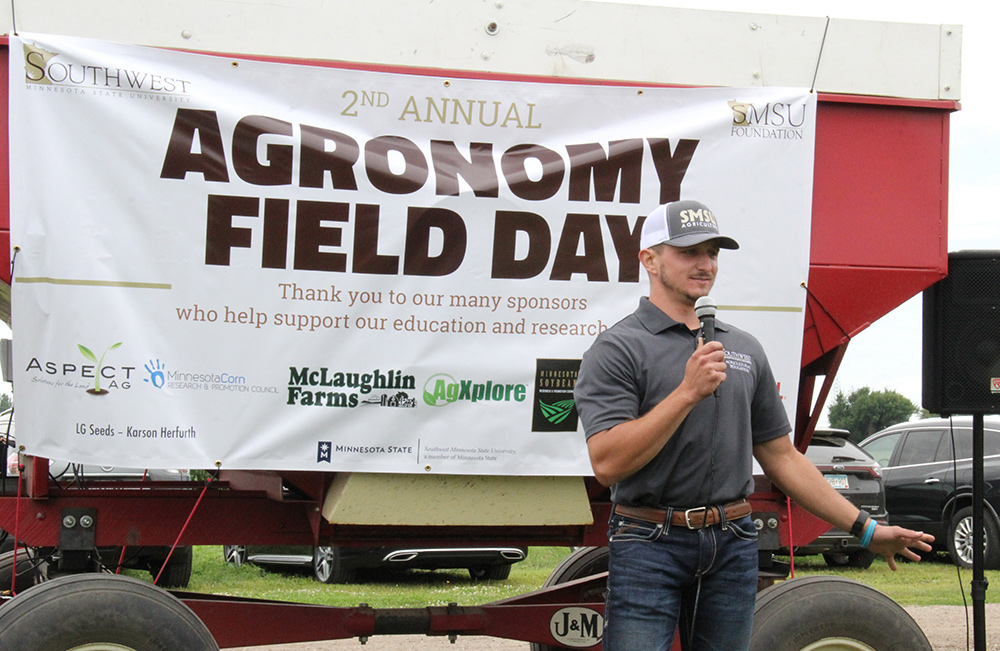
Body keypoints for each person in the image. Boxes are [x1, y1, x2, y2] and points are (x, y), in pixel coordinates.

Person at [574, 200, 934, 651]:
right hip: (649, 542)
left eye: (713, 253)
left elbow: (784, 458)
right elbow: (607, 463)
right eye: (689, 252)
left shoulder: (743, 349)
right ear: (649, 259)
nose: (705, 265)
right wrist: (686, 393)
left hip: (733, 542)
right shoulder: (617, 349)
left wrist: (866, 529)